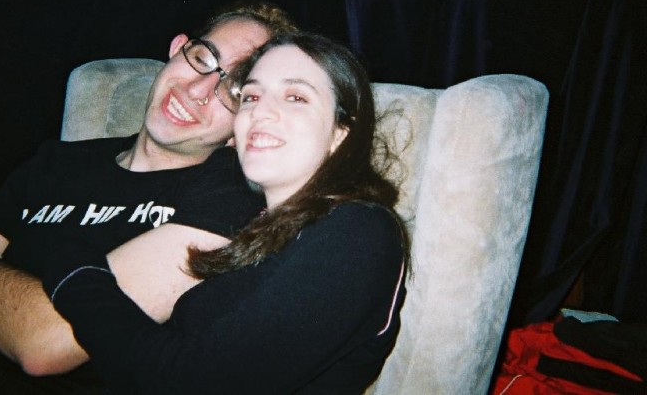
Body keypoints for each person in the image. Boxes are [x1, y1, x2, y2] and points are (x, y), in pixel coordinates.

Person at [0, 1, 298, 393]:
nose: (198, 89)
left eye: (235, 90)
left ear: (246, 122)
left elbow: (46, 342)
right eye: (203, 58)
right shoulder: (58, 162)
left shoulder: (231, 200)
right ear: (178, 49)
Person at [43, 32, 410, 394]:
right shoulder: (261, 230)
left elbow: (182, 383)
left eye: (296, 97)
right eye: (250, 96)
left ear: (340, 133)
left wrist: (69, 264)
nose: (259, 111)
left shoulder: (359, 232)